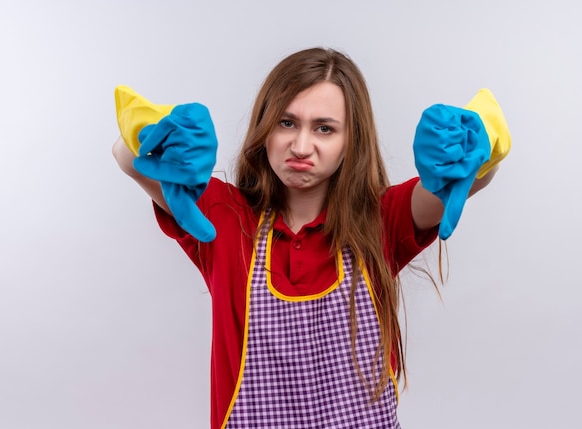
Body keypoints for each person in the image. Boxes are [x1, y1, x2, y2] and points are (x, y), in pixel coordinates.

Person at [112, 47, 500, 428]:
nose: (300, 147)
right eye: (286, 123)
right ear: (264, 127)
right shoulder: (226, 219)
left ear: (352, 140)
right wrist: (159, 140)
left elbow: (467, 179)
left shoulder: (382, 219)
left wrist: (473, 148)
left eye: (324, 128)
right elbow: (126, 157)